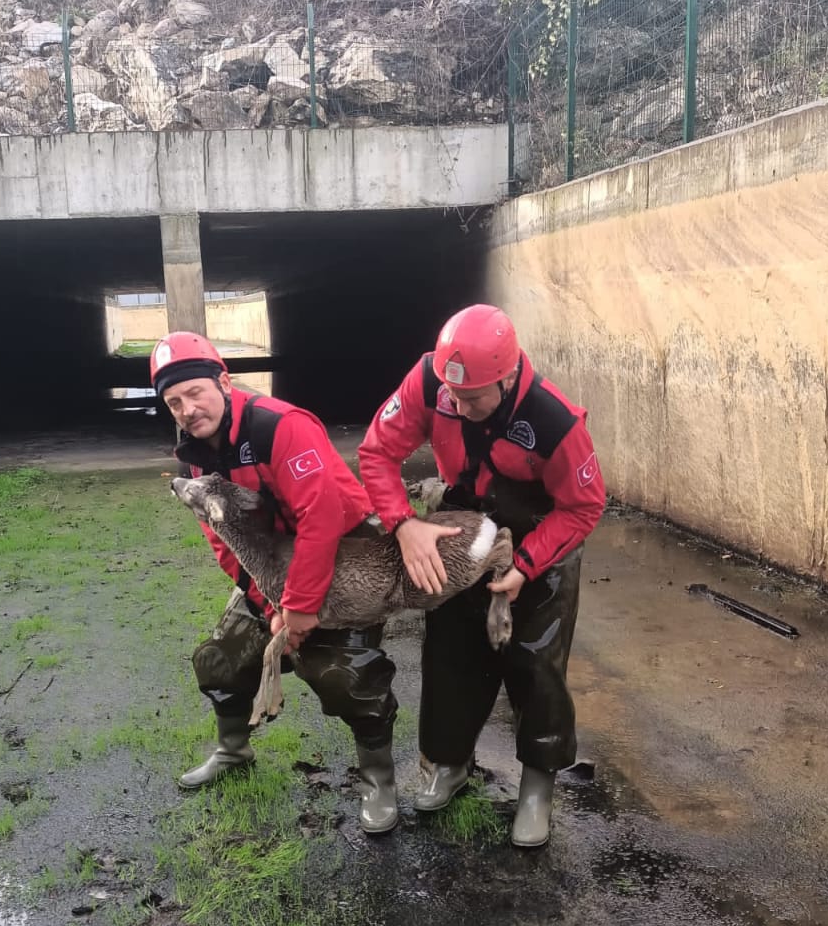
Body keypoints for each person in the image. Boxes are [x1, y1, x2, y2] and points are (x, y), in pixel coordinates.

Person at [358, 304, 605, 847]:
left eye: (472, 399)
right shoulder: (430, 381)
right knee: (449, 648)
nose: (458, 406)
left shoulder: (552, 419)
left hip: (540, 531)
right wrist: (403, 524)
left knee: (536, 659)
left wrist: (528, 564)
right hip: (465, 524)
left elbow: (583, 506)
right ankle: (449, 762)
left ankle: (537, 785)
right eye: (452, 396)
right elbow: (377, 452)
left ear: (509, 377)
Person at [151, 331, 400, 834]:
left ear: (224, 381)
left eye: (195, 392)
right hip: (273, 567)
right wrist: (270, 605)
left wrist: (301, 606)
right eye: (173, 402)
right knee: (222, 657)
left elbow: (322, 516)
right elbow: (224, 540)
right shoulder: (194, 456)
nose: (187, 409)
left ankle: (379, 780)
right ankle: (233, 750)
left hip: (342, 556)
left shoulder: (280, 427)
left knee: (347, 675)